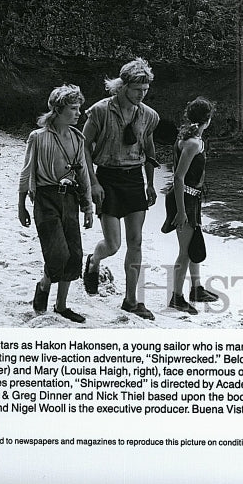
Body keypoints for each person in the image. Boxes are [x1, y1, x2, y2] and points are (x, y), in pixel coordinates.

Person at [82, 58, 160, 320]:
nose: (142, 94)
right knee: (114, 244)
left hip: (135, 179)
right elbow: (84, 146)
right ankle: (93, 260)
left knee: (135, 242)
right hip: (108, 178)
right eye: (138, 89)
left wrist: (150, 183)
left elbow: (149, 151)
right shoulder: (100, 111)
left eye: (146, 90)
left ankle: (131, 300)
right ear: (123, 85)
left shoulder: (148, 115)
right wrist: (92, 182)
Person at [18, 84, 94, 323]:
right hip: (46, 199)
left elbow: (83, 176)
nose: (78, 113)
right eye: (73, 108)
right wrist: (21, 206)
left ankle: (61, 305)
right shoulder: (38, 137)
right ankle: (43, 284)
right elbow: (26, 172)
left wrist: (88, 206)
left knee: (74, 255)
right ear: (58, 110)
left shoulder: (78, 138)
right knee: (57, 254)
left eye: (79, 108)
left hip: (70, 198)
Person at [164, 97, 218, 315]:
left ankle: (196, 289)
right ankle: (176, 298)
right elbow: (178, 178)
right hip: (184, 199)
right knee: (185, 252)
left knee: (194, 242)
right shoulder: (193, 142)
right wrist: (182, 211)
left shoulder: (190, 137)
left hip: (192, 198)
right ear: (209, 120)